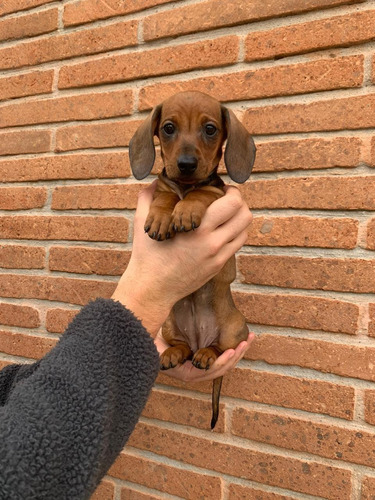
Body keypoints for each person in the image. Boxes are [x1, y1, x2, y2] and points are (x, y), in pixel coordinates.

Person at [0, 182, 253, 499]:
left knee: (228, 327)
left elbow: (10, 397)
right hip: (173, 323)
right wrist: (144, 300)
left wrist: (136, 346)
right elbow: (23, 465)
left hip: (211, 320)